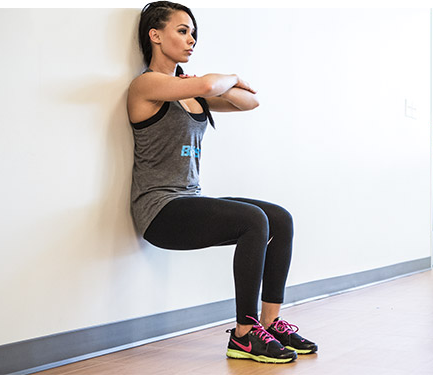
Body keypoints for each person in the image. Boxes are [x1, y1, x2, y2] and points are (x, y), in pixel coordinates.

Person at [128, 1, 317, 364]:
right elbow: (214, 82)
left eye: (193, 33)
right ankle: (244, 336)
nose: (191, 40)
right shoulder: (146, 84)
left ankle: (270, 323)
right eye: (182, 31)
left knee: (279, 218)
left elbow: (251, 102)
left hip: (188, 200)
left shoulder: (191, 92)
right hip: (159, 211)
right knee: (253, 220)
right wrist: (226, 78)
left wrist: (215, 85)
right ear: (155, 35)